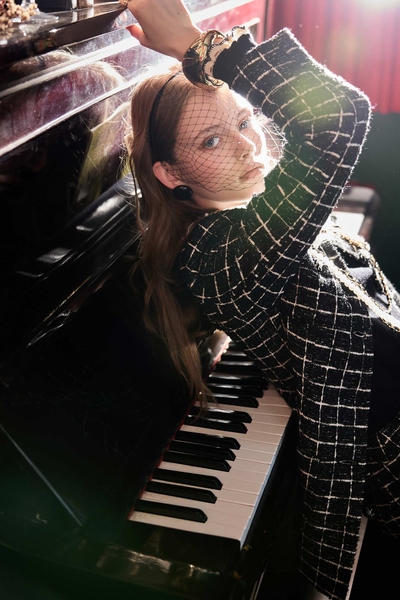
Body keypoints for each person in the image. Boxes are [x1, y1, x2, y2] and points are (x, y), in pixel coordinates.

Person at [119, 1, 400, 599]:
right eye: (212, 139)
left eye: (246, 120)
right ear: (170, 173)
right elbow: (341, 119)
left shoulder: (251, 215)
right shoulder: (224, 258)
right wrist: (197, 46)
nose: (248, 146)